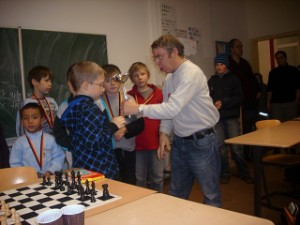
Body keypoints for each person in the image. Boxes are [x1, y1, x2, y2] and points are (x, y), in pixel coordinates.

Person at [123, 35, 221, 207]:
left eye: (159, 57)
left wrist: (138, 108)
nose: (157, 63)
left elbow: (172, 108)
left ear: (174, 52)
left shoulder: (191, 73)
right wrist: (163, 134)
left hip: (202, 142)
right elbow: (168, 110)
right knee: (176, 194)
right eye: (155, 58)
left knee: (210, 195)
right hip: (181, 142)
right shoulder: (169, 78)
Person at [59, 61, 125, 179]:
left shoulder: (74, 106)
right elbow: (93, 142)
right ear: (86, 85)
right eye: (100, 85)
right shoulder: (89, 109)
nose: (103, 89)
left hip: (83, 165)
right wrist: (113, 125)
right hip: (98, 169)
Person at [208, 54, 253, 184]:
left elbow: (239, 97)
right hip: (217, 119)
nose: (219, 67)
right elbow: (206, 97)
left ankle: (245, 173)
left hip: (231, 118)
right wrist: (211, 103)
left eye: (221, 64)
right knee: (220, 147)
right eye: (217, 65)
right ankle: (225, 173)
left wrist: (224, 102)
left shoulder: (234, 79)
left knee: (236, 148)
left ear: (226, 65)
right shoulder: (211, 80)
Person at [101, 64, 144, 185]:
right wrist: (112, 131)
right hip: (109, 150)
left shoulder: (128, 99)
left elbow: (141, 124)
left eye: (115, 79)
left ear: (121, 80)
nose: (113, 83)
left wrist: (125, 129)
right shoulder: (98, 101)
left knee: (129, 182)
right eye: (107, 80)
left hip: (128, 149)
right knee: (112, 184)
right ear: (101, 82)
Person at [127, 62, 164, 192]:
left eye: (142, 74)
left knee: (158, 177)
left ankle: (159, 202)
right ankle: (141, 203)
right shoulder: (129, 96)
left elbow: (165, 115)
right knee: (139, 178)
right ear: (132, 78)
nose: (140, 77)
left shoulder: (159, 93)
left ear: (147, 75)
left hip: (156, 141)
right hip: (137, 144)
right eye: (136, 75)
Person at [10, 103, 65, 177]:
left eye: (34, 117)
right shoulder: (19, 143)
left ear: (42, 120)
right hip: (28, 180)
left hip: (50, 178)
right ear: (22, 121)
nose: (30, 121)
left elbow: (58, 158)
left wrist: (51, 171)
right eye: (26, 118)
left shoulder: (51, 140)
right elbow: (15, 164)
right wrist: (27, 175)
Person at [228, 38, 260, 160]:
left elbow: (252, 79)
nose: (241, 49)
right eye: (238, 46)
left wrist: (257, 91)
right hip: (236, 104)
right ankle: (243, 156)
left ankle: (250, 154)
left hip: (250, 101)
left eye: (241, 46)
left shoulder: (245, 63)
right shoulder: (228, 64)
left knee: (251, 128)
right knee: (241, 131)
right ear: (231, 48)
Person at [16, 66, 58, 137]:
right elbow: (21, 129)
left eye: (51, 81)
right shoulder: (26, 103)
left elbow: (58, 122)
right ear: (34, 82)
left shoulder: (52, 101)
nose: (50, 84)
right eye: (46, 80)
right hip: (34, 144)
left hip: (52, 143)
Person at [267, 50, 300, 122]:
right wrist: (268, 102)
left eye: (281, 57)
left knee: (291, 124)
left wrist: (296, 100)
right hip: (276, 104)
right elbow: (270, 89)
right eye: (277, 58)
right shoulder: (273, 72)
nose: (279, 60)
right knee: (277, 124)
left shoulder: (294, 70)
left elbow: (298, 87)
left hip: (290, 102)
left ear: (285, 58)